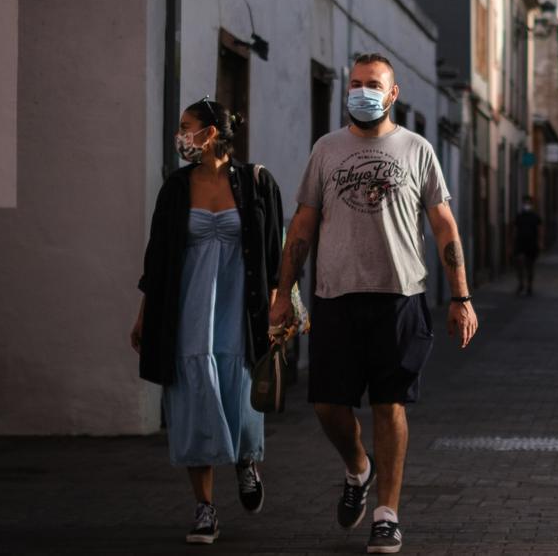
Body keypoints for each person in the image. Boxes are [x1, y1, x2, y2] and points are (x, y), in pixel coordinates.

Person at [270, 53, 479, 555]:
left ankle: (387, 514)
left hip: (400, 298)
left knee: (390, 405)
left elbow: (444, 226)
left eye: (373, 84)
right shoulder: (327, 149)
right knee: (326, 405)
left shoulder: (417, 149)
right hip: (334, 297)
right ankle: (358, 468)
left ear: (393, 93)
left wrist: (461, 296)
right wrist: (283, 293)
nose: (363, 91)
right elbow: (301, 226)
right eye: (356, 83)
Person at [131, 97, 285, 545]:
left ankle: (244, 462)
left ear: (211, 133)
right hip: (187, 309)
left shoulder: (257, 182)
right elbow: (157, 258)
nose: (180, 135)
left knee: (238, 385)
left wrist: (281, 306)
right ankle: (204, 508)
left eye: (187, 126)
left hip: (242, 307)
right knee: (195, 395)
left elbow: (275, 258)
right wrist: (143, 314)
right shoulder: (176, 188)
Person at [513, 195, 543, 296]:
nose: (526, 205)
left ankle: (529, 285)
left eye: (528, 203)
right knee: (519, 264)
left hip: (531, 244)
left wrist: (539, 242)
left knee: (530, 266)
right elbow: (514, 229)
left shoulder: (535, 217)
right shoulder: (519, 216)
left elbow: (540, 230)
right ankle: (521, 283)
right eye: (525, 203)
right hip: (520, 243)